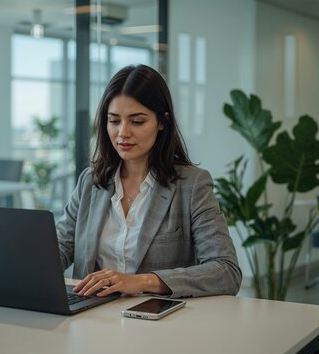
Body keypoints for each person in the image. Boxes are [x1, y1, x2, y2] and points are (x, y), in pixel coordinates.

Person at [56, 64, 242, 299]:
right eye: (114, 121)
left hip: (156, 324)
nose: (123, 133)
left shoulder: (192, 185)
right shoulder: (90, 182)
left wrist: (141, 281)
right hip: (90, 317)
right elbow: (60, 247)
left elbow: (226, 271)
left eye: (137, 121)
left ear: (162, 122)